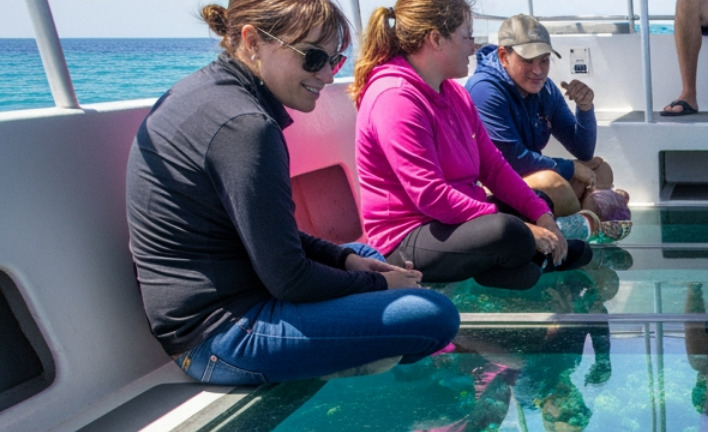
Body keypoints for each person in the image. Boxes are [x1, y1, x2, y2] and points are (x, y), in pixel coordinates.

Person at [125, 0, 459, 384]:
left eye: (335, 61)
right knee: (434, 316)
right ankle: (338, 366)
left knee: (364, 254)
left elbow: (263, 234)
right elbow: (290, 280)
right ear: (252, 40)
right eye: (313, 57)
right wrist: (381, 284)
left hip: (233, 299)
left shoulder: (212, 93)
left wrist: (347, 261)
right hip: (220, 337)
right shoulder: (246, 127)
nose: (328, 76)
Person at [353, 0, 590, 295]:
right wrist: (523, 227)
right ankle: (522, 260)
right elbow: (431, 196)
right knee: (509, 231)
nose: (473, 46)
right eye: (466, 36)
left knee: (537, 201)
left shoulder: (453, 93)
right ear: (436, 39)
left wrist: (541, 215)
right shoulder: (395, 99)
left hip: (450, 224)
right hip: (405, 240)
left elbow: (493, 167)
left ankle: (518, 264)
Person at [465, 15, 631, 239]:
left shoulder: (545, 89)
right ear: (504, 56)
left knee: (600, 169)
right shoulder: (484, 90)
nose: (538, 70)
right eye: (528, 60)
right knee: (552, 182)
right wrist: (570, 169)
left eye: (544, 60)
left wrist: (585, 108)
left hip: (524, 181)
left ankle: (583, 221)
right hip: (489, 188)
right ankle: (590, 221)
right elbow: (511, 160)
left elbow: (583, 150)